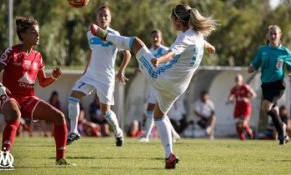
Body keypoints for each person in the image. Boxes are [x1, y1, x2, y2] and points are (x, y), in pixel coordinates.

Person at [90, 4, 216, 169]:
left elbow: (172, 53)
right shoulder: (198, 36)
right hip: (178, 88)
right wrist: (210, 47)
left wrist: (160, 60)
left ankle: (104, 34)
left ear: (177, 21)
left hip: (161, 77)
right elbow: (204, 45)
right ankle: (169, 155)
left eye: (172, 19)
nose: (171, 22)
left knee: (135, 42)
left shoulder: (184, 37)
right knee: (158, 116)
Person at [0, 16, 71, 165]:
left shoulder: (38, 57)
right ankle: (4, 158)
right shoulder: (11, 52)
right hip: (8, 96)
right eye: (33, 32)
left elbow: (43, 82)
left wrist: (53, 77)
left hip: (28, 98)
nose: (38, 35)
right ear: (23, 35)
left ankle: (60, 159)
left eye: (38, 32)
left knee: (59, 117)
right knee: (15, 115)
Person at [67, 5, 131, 146]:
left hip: (106, 78)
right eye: (100, 15)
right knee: (73, 96)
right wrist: (85, 70)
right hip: (90, 75)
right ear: (96, 17)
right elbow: (92, 52)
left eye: (106, 15)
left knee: (105, 112)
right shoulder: (90, 34)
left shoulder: (114, 34)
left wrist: (121, 71)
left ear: (110, 18)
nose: (103, 17)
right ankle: (73, 131)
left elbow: (127, 53)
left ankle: (118, 132)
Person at [248, 25, 291, 145]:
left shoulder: (285, 52)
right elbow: (255, 63)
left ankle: (281, 133)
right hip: (266, 85)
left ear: (279, 35)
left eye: (275, 34)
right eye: (271, 33)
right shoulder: (263, 50)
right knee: (274, 111)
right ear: (267, 35)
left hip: (278, 85)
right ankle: (283, 130)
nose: (272, 36)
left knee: (266, 107)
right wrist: (252, 67)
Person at [138, 29, 181, 143]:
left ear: (161, 38)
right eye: (153, 37)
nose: (155, 39)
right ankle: (174, 134)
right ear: (151, 38)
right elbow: (145, 64)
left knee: (152, 109)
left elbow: (174, 62)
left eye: (157, 37)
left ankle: (146, 136)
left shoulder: (166, 50)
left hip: (163, 82)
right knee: (160, 111)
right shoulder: (149, 51)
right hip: (154, 83)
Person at [227, 74, 256, 140]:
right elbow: (231, 96)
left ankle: (250, 131)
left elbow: (254, 95)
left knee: (243, 123)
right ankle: (242, 140)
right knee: (238, 125)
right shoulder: (234, 89)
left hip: (246, 107)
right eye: (236, 79)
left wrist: (247, 99)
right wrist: (230, 99)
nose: (237, 81)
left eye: (238, 79)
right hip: (238, 107)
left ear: (241, 80)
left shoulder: (245, 87)